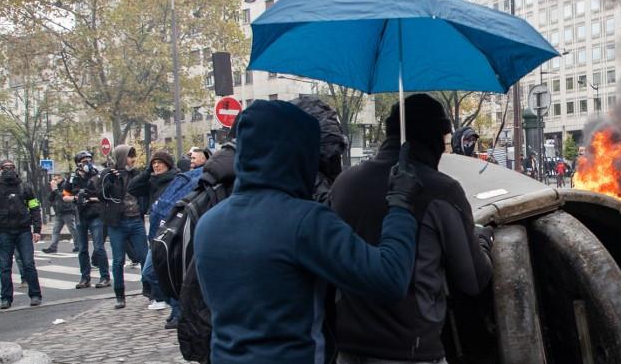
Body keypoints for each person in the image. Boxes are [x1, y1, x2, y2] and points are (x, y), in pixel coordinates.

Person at [194, 100, 420, 364]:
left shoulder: (209, 223)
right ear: (300, 153)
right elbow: (390, 278)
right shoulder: (304, 221)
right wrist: (400, 203)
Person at [329, 94, 493, 364]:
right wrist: (482, 240)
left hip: (348, 350)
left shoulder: (344, 184)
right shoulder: (442, 190)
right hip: (413, 350)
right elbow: (473, 279)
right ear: (433, 139)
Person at [127, 151, 179, 312]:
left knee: (167, 270)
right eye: (153, 163)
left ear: (168, 164)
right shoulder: (152, 181)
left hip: (172, 229)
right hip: (156, 230)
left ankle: (174, 306)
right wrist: (147, 172)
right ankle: (166, 299)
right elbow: (132, 188)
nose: (156, 165)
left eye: (159, 162)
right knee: (149, 272)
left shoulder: (177, 180)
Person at [99, 145, 149, 309]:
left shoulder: (137, 174)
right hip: (117, 223)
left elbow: (145, 191)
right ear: (121, 157)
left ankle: (148, 289)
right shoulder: (108, 174)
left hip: (135, 220)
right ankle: (120, 295)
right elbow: (101, 195)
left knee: (144, 256)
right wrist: (110, 182)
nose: (132, 160)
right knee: (118, 260)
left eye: (133, 156)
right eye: (129, 156)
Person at [0, 160, 43, 309]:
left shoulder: (24, 187)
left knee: (28, 264)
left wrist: (37, 229)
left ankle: (35, 295)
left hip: (23, 231)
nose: (9, 170)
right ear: (0, 169)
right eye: (6, 168)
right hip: (3, 231)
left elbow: (35, 207)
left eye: (11, 167)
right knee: (5, 267)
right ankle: (5, 298)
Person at [66, 151, 109, 289]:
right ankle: (85, 278)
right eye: (84, 161)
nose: (87, 163)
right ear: (78, 163)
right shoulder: (73, 178)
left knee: (99, 247)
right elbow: (65, 196)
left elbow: (104, 196)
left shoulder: (97, 176)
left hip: (95, 214)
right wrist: (75, 198)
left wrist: (90, 198)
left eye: (89, 160)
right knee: (82, 249)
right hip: (80, 215)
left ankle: (105, 277)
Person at [42, 174, 79, 254]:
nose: (54, 181)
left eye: (56, 179)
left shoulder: (66, 185)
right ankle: (53, 247)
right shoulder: (56, 187)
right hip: (59, 212)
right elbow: (50, 199)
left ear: (60, 178)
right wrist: (53, 190)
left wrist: (55, 190)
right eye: (53, 179)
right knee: (55, 230)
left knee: (72, 229)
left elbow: (63, 197)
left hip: (67, 210)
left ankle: (78, 245)